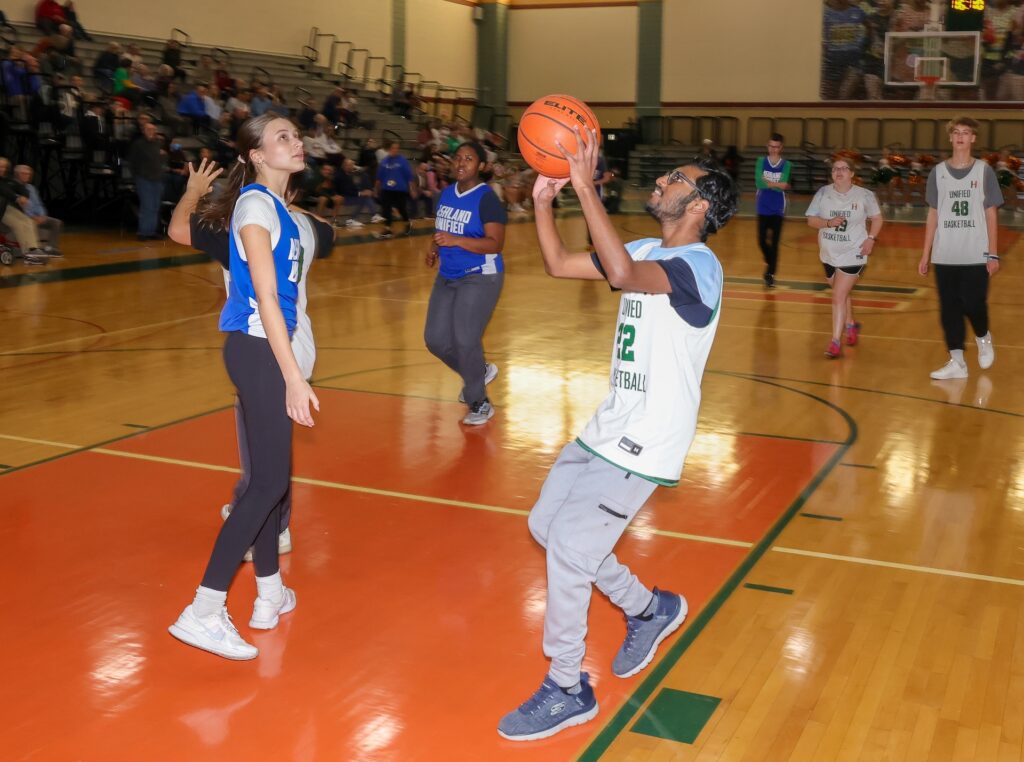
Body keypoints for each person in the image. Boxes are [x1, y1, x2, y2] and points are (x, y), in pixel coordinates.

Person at [497, 127, 737, 741]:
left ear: (700, 205)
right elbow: (557, 264)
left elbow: (627, 272)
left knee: (572, 549)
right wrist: (546, 201)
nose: (661, 182)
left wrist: (585, 186)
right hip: (608, 425)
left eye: (674, 180)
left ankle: (567, 685)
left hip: (648, 439)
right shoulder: (643, 248)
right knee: (545, 529)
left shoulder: (698, 269)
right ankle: (647, 608)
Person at [168, 115, 318, 660]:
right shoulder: (255, 206)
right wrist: (294, 377)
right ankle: (203, 609)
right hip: (261, 351)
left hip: (259, 352)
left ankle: (269, 594)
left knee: (270, 481)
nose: (296, 141)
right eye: (282, 136)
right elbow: (266, 298)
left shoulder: (279, 211)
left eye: (296, 135)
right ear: (255, 154)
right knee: (266, 485)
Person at [168, 156, 334, 564]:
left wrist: (193, 191)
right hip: (301, 343)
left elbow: (177, 229)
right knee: (275, 444)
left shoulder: (245, 228)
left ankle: (270, 525)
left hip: (265, 342)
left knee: (261, 450)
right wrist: (293, 202)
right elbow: (331, 231)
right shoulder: (311, 230)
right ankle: (272, 526)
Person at [424, 142, 506, 425]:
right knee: (435, 340)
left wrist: (456, 240)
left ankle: (479, 401)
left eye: (468, 159)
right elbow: (441, 229)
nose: (461, 163)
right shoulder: (446, 193)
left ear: (481, 166)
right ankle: (478, 371)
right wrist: (433, 247)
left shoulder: (487, 199)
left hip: (480, 274)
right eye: (457, 158)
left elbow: (495, 244)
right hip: (448, 274)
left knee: (465, 339)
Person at [918, 116, 1002, 380]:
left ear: (973, 138)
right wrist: (926, 253)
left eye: (966, 132)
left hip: (976, 253)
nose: (961, 137)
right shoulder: (938, 172)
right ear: (950, 137)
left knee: (974, 304)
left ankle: (983, 337)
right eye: (956, 132)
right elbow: (933, 214)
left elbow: (991, 214)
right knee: (949, 309)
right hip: (945, 254)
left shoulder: (984, 171)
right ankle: (957, 361)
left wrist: (993, 252)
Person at [805, 156, 883, 358]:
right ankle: (850, 324)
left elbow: (877, 218)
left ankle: (835, 342)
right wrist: (828, 223)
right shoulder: (823, 193)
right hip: (828, 253)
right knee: (842, 293)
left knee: (838, 296)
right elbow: (811, 220)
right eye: (834, 169)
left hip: (854, 252)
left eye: (843, 168)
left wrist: (871, 238)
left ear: (852, 173)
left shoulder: (864, 195)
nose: (838, 172)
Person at [755, 133, 791, 288]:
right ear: (767, 146)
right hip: (762, 206)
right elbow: (758, 182)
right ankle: (771, 261)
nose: (774, 149)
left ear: (781, 147)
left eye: (777, 147)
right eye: (771, 146)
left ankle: (770, 274)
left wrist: (767, 182)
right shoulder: (761, 161)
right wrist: (777, 184)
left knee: (774, 243)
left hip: (778, 207)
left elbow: (782, 185)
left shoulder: (787, 164)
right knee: (761, 240)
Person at [0, 157, 50, 264]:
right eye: (0, 166)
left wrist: (24, 196)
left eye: (4, 167)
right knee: (19, 224)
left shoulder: (8, 179)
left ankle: (33, 250)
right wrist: (16, 198)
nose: (2, 169)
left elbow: (22, 188)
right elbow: (4, 190)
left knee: (28, 221)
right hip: (1, 211)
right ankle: (29, 254)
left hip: (5, 209)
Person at [13, 164, 63, 255]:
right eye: (23, 173)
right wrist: (33, 217)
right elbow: (19, 208)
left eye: (28, 174)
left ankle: (51, 248)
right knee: (30, 223)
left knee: (56, 222)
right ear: (17, 174)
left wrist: (42, 215)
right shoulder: (13, 188)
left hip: (38, 216)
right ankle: (34, 250)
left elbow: (39, 204)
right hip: (24, 217)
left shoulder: (31, 188)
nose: (26, 176)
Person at [128, 122, 165, 240]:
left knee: (155, 206)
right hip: (144, 179)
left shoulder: (157, 144)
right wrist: (137, 176)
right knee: (147, 205)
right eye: (148, 129)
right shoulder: (138, 144)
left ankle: (151, 231)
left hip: (157, 179)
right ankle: (143, 232)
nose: (151, 132)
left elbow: (161, 160)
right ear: (143, 131)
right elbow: (132, 162)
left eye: (153, 129)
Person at [374, 141, 414, 239]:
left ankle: (407, 223)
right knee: (386, 208)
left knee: (401, 208)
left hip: (400, 189)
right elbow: (379, 177)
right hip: (386, 189)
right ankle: (388, 229)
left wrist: (412, 189)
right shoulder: (384, 162)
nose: (395, 150)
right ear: (389, 149)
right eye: (393, 148)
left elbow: (409, 177)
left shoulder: (402, 161)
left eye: (397, 148)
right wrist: (376, 189)